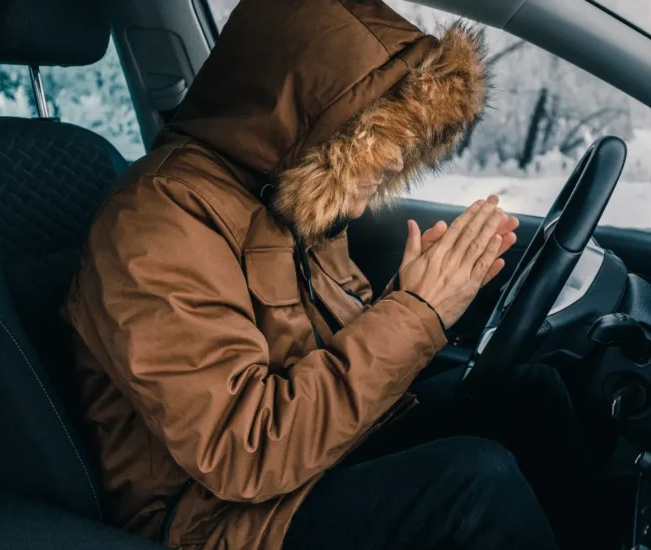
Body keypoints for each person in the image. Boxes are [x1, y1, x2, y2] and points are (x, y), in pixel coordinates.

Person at [64, 0, 592, 548]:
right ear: (309, 123)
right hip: (217, 518)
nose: (390, 170)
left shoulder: (289, 192)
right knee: (475, 484)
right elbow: (244, 452)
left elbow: (331, 353)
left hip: (314, 458)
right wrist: (416, 313)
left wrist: (408, 295)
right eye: (373, 149)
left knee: (531, 395)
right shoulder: (156, 222)